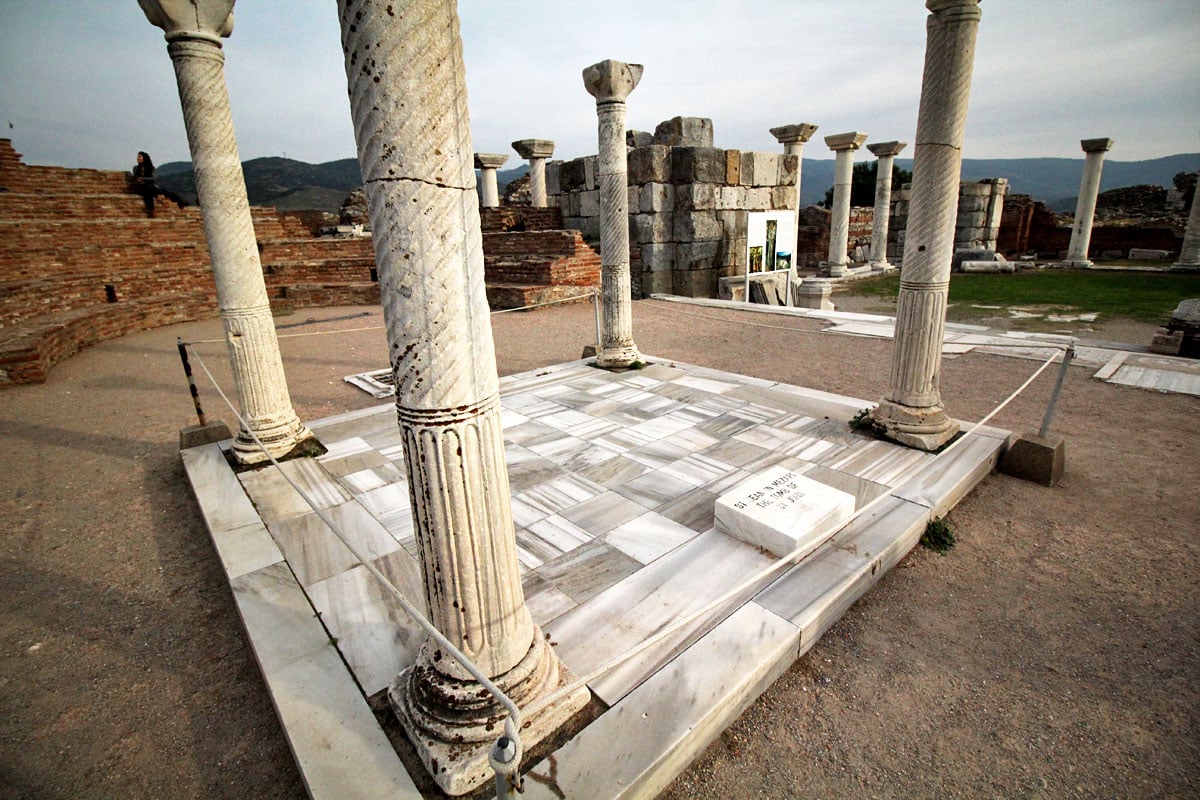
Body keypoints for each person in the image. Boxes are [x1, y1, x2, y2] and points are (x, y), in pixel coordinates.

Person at [131, 151, 157, 217]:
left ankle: (151, 210)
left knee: (149, 189)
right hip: (142, 186)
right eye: (138, 157)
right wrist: (139, 180)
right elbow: (135, 177)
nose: (137, 158)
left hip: (150, 185)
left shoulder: (151, 168)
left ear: (144, 158)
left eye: (139, 156)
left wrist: (144, 179)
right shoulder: (136, 168)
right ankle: (152, 210)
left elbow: (154, 178)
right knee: (147, 189)